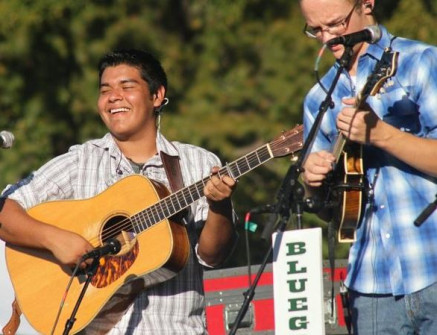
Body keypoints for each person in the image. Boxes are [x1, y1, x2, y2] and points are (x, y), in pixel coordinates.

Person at [0, 49, 237, 334]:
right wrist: (56, 240)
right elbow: (5, 211)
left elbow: (212, 256)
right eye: (105, 90)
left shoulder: (198, 163)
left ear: (157, 95)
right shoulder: (81, 161)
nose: (113, 97)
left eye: (127, 87)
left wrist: (220, 206)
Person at [299, 0, 437, 334]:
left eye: (336, 24)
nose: (327, 39)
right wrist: (312, 180)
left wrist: (382, 135)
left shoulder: (419, 61)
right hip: (370, 283)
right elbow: (330, 210)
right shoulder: (319, 97)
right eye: (315, 29)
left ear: (367, 4)